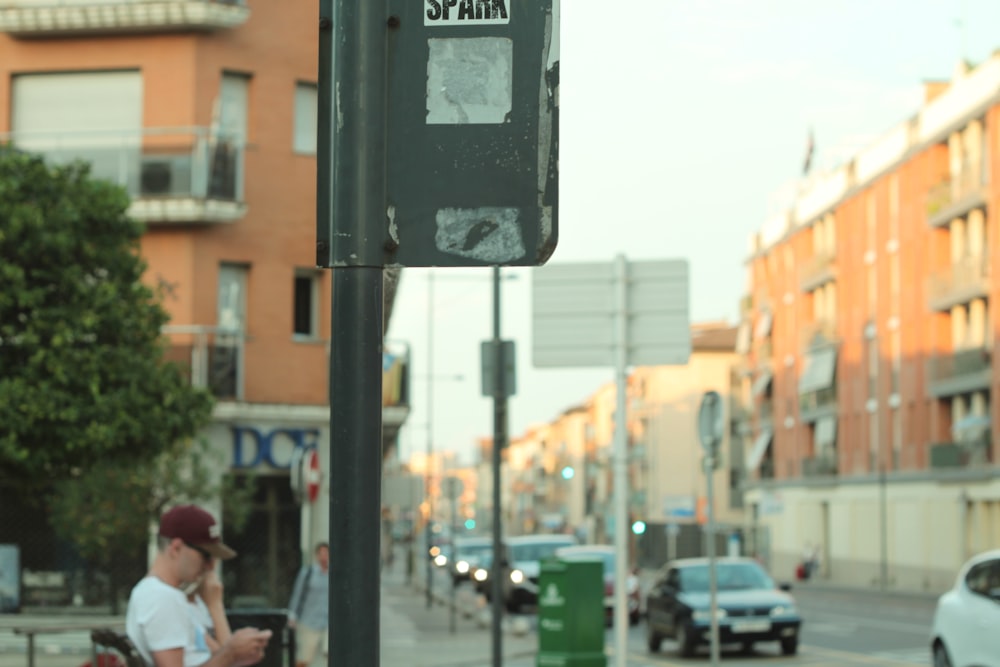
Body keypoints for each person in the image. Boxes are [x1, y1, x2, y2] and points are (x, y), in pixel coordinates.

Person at [126, 504, 272, 667]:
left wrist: (238, 652)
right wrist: (231, 653)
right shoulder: (162, 597)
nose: (210, 567)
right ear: (176, 548)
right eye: (206, 556)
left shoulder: (173, 597)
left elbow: (218, 657)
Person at [286, 542, 329, 667]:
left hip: (328, 622)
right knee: (304, 659)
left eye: (326, 554)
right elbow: (297, 594)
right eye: (321, 554)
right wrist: (292, 615)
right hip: (309, 621)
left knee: (332, 654)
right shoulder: (308, 573)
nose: (324, 557)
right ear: (316, 556)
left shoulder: (335, 574)